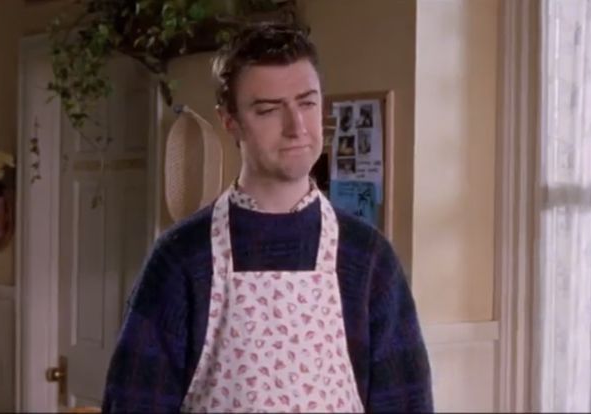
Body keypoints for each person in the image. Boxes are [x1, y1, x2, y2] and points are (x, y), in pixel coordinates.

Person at [102, 22, 433, 413]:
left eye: (307, 103)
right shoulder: (181, 259)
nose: (296, 127)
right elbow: (134, 404)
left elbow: (407, 404)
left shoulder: (368, 258)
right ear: (230, 121)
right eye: (269, 109)